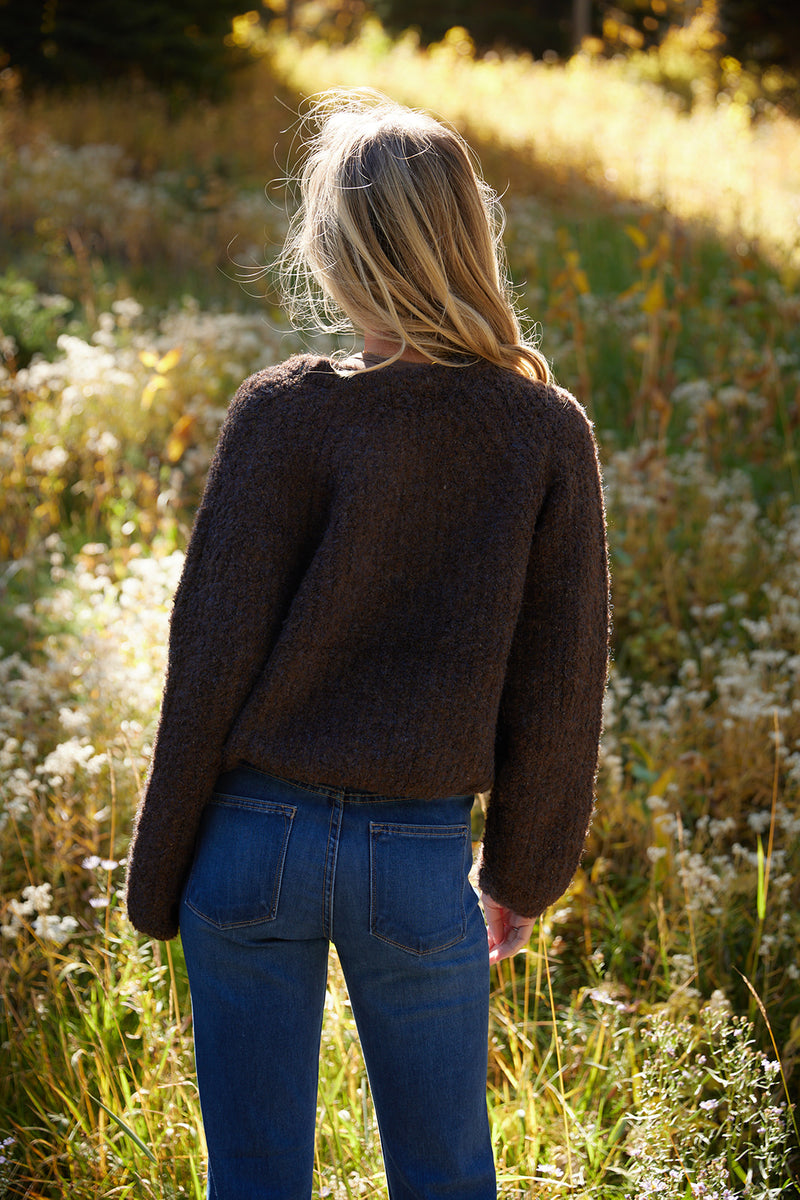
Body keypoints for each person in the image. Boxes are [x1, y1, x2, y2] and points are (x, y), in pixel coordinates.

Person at [126, 88, 609, 1200]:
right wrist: (524, 872)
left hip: (248, 845)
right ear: (466, 238)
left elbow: (206, 655)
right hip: (414, 855)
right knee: (443, 1174)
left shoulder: (281, 410)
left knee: (250, 1176)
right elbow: (559, 680)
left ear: (330, 250)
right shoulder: (541, 429)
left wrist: (162, 874)